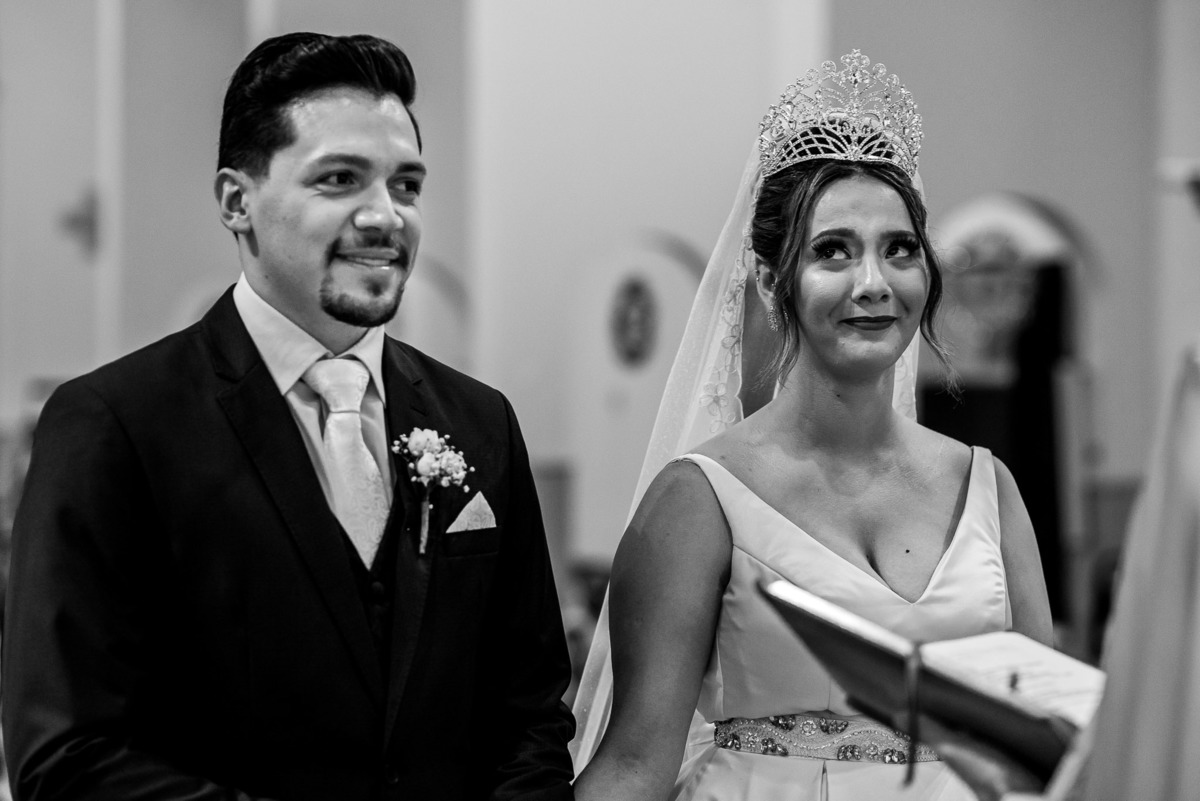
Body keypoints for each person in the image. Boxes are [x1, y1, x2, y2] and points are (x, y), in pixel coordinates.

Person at [1, 32, 575, 801]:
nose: (386, 217)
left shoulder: (480, 422)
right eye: (339, 179)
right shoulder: (114, 423)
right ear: (237, 201)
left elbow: (530, 715)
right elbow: (67, 754)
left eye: (406, 185)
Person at [570, 51, 1052, 801]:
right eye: (833, 251)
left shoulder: (987, 487)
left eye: (898, 249)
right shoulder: (699, 499)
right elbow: (636, 758)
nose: (873, 283)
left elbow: (1037, 746)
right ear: (770, 280)